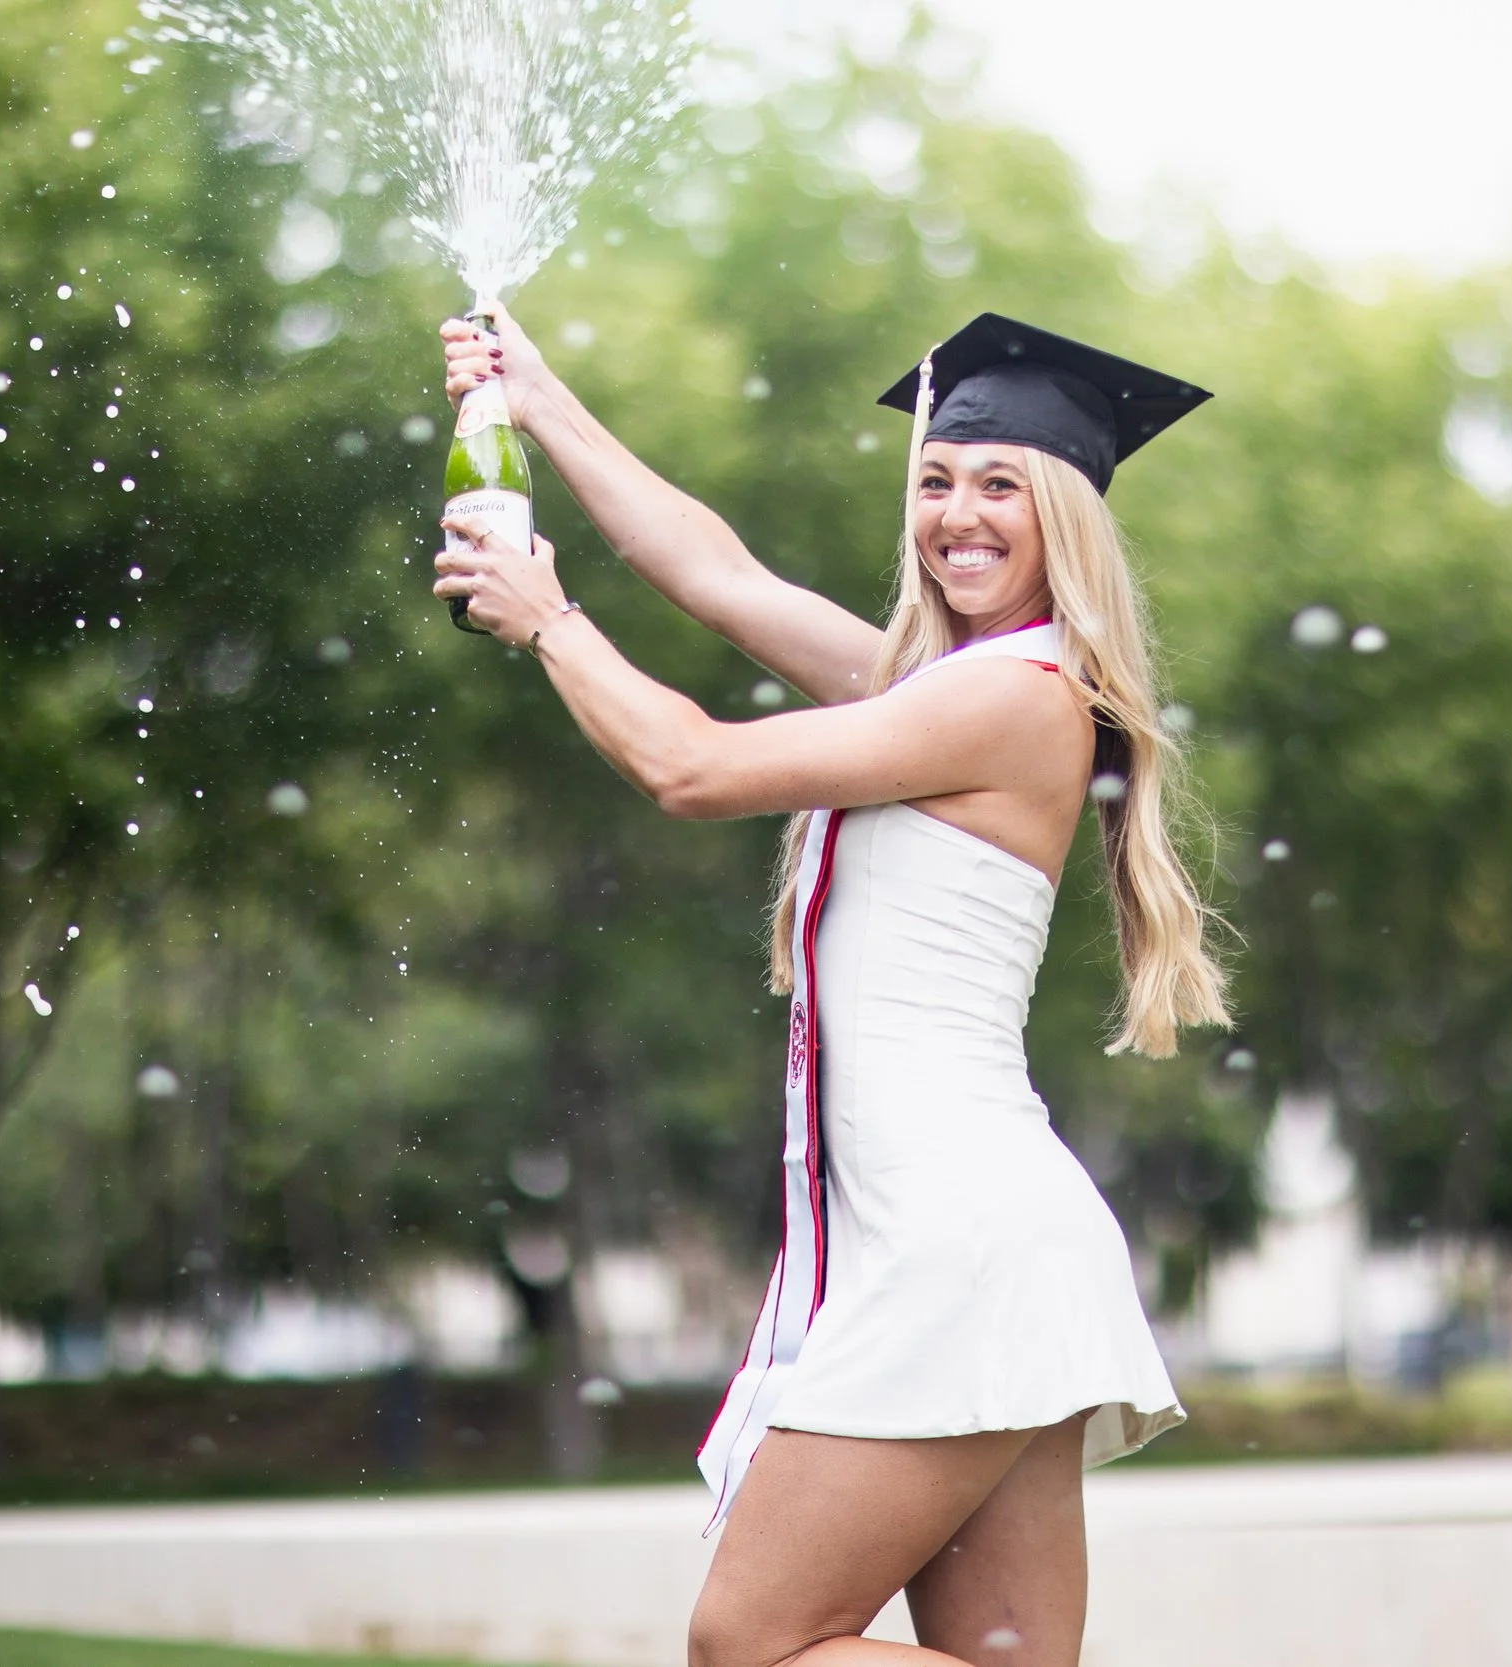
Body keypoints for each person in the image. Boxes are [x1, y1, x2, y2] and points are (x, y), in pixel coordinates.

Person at [433, 308, 1231, 1667]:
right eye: (938, 479)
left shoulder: (1008, 700)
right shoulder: (943, 687)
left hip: (956, 1242)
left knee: (752, 1643)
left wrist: (551, 621)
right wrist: (542, 397)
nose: (959, 515)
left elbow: (690, 767)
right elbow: (716, 573)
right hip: (994, 1238)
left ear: (1065, 518)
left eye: (1001, 486)